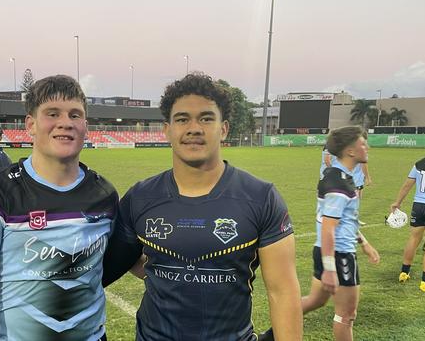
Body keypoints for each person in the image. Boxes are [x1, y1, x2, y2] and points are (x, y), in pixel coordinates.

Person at [102, 73, 302, 341]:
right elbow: (114, 263)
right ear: (167, 130)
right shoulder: (140, 197)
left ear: (224, 128)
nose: (194, 128)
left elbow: (283, 292)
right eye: (182, 119)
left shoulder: (261, 197)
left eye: (206, 118)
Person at [0, 75, 118, 340]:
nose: (66, 123)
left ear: (85, 124)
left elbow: (118, 260)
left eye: (75, 115)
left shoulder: (104, 193)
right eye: (53, 113)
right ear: (31, 123)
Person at [263, 126, 380, 341]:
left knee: (316, 300)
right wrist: (329, 268)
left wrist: (363, 242)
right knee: (346, 316)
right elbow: (328, 228)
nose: (367, 147)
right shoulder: (339, 183)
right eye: (362, 143)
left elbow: (344, 220)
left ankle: (271, 334)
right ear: (350, 151)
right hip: (338, 255)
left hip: (329, 252)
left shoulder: (340, 176)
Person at [391, 133, 425, 291]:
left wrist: (397, 202)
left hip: (418, 206)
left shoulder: (421, 162)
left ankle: (404, 272)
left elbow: (407, 185)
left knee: (413, 239)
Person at [321, 144, 371, 225]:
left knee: (355, 197)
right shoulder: (357, 149)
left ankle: (350, 217)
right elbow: (363, 164)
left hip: (354, 177)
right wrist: (368, 177)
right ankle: (350, 218)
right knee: (354, 198)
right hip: (355, 177)